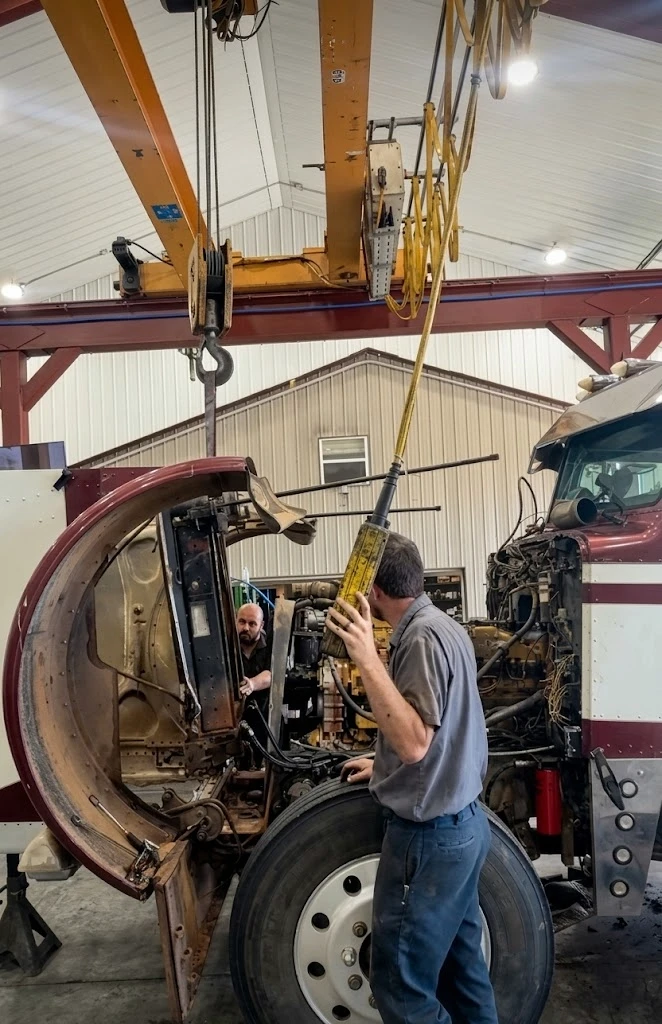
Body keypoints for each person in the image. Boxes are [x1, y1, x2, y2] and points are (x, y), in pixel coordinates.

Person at [326, 533, 498, 1024]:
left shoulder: (420, 638)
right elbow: (444, 731)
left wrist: (365, 656)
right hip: (465, 829)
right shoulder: (445, 625)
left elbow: (416, 744)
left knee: (401, 989)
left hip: (429, 843)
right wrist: (382, 765)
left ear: (374, 590)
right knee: (462, 974)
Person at [236, 603, 272, 698]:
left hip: (263, 704)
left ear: (261, 625)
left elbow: (272, 674)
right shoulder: (227, 647)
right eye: (242, 622)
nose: (245, 628)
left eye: (252, 624)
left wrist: (252, 684)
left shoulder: (270, 645)